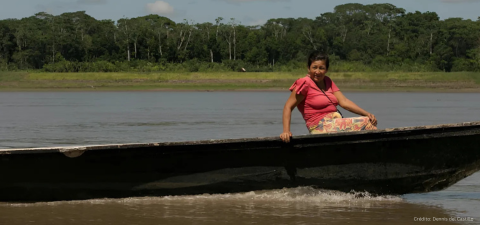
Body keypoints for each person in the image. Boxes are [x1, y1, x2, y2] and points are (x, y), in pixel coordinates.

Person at [280, 51, 378, 143]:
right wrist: (286, 131)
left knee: (369, 120)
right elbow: (288, 107)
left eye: (321, 68)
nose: (317, 71)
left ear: (326, 69)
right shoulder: (304, 83)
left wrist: (366, 114)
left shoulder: (328, 81)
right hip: (319, 127)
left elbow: (344, 101)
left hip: (335, 123)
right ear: (308, 68)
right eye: (314, 67)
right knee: (366, 123)